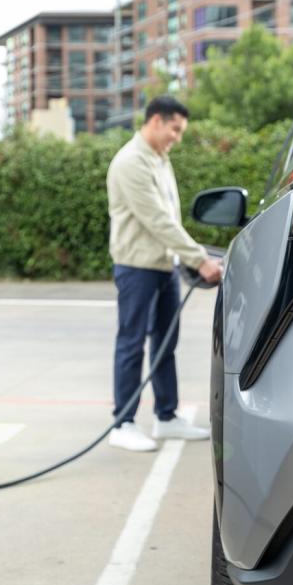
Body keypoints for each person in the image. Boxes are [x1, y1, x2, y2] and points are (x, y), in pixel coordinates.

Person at [106, 96, 223, 452]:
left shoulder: (160, 159)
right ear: (156, 121)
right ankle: (122, 423)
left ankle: (166, 417)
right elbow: (156, 220)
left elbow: (170, 220)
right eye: (175, 129)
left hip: (164, 266)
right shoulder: (130, 163)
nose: (177, 137)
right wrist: (200, 259)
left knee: (165, 344)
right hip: (137, 268)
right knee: (132, 344)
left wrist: (187, 257)